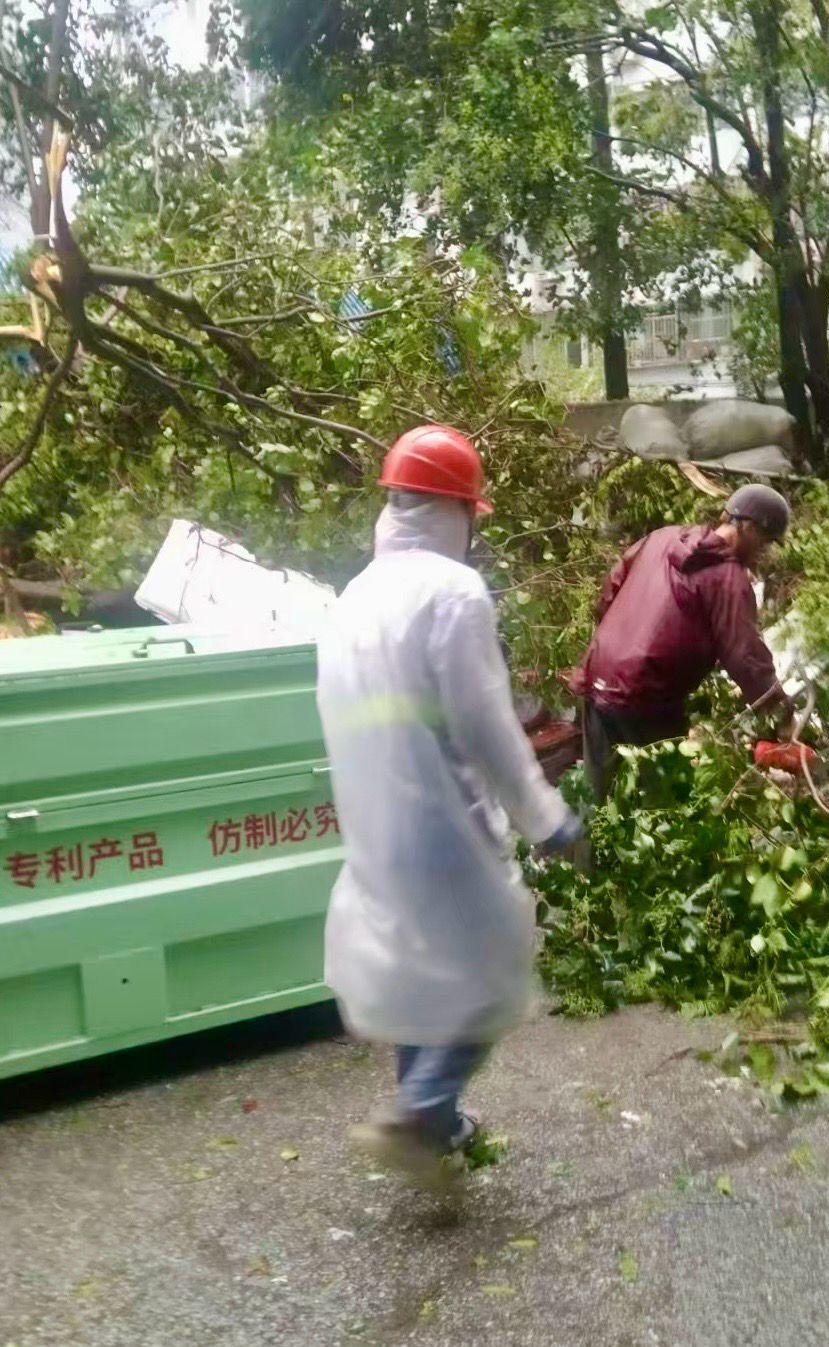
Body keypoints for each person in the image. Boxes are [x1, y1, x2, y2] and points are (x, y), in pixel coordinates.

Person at [316, 424, 581, 1191]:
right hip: (441, 820)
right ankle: (421, 1109)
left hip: (372, 823)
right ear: (456, 510)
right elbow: (486, 722)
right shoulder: (453, 592)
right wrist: (548, 818)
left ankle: (433, 1126)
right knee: (493, 969)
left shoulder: (354, 597)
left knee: (421, 975)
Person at [569, 483, 794, 801]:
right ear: (747, 527)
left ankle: (582, 849)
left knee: (596, 794)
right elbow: (744, 656)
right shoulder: (729, 578)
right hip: (646, 696)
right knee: (665, 803)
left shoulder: (662, 537)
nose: (764, 551)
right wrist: (780, 714)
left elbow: (608, 594)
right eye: (766, 541)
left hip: (598, 677)